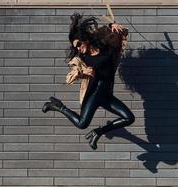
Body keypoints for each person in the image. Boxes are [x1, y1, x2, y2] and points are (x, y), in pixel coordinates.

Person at [42, 13, 135, 150]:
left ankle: (98, 132)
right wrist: (82, 72)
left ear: (84, 39)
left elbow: (123, 33)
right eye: (76, 47)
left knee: (129, 118)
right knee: (82, 124)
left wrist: (112, 26)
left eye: (79, 44)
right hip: (94, 95)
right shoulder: (81, 59)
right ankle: (58, 106)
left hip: (107, 95)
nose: (78, 48)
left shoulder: (104, 46)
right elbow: (69, 77)